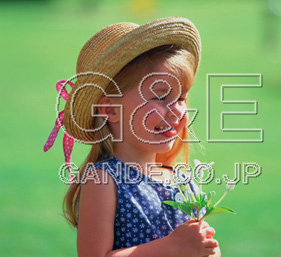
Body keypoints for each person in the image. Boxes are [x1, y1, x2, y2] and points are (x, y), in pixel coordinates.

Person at [44, 17, 221, 257]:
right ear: (110, 110)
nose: (177, 110)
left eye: (180, 98)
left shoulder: (184, 182)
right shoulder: (104, 180)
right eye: (160, 97)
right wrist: (171, 247)